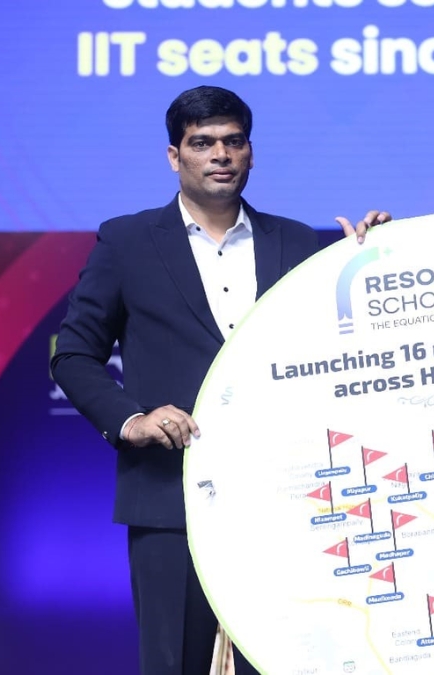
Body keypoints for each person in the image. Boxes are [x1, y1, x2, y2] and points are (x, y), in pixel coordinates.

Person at [50, 85, 390, 675]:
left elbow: (340, 352)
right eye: (202, 143)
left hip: (289, 498)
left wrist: (372, 262)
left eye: (233, 142)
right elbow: (74, 354)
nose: (220, 155)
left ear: (251, 152)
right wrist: (132, 420)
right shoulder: (127, 241)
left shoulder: (298, 241)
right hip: (170, 496)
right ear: (174, 156)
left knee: (293, 661)